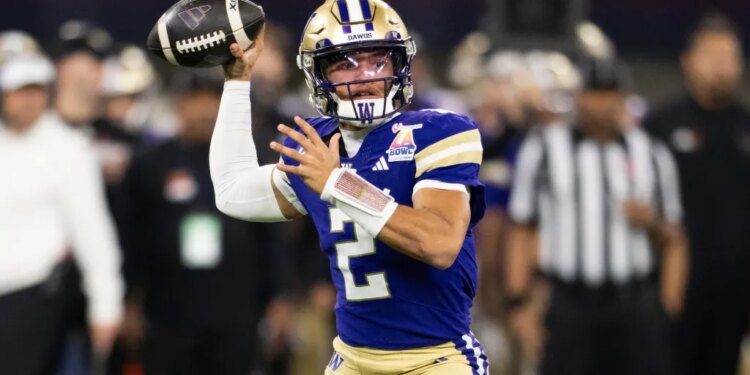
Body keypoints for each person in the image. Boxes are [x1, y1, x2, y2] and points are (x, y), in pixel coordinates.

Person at [209, 0, 489, 373]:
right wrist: (236, 80)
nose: (365, 76)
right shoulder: (314, 145)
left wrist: (339, 183)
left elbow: (438, 243)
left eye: (378, 59)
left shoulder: (439, 132)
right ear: (316, 74)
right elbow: (232, 192)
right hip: (352, 359)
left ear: (400, 63)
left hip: (436, 359)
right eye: (344, 64)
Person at [505, 57, 688, 375]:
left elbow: (675, 237)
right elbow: (521, 227)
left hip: (634, 302)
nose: (602, 104)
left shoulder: (653, 154)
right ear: (578, 96)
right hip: (568, 303)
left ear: (623, 98)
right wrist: (519, 304)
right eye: (594, 93)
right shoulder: (544, 149)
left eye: (610, 94)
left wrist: (667, 309)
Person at [116, 71, 285, 375]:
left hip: (237, 305)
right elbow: (132, 238)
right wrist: (128, 300)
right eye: (197, 99)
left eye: (215, 99)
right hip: (169, 308)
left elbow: (272, 235)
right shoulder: (149, 165)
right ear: (178, 105)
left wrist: (280, 298)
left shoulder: (252, 159)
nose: (206, 109)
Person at [0, 53, 123, 375]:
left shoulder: (68, 147)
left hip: (32, 297)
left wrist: (105, 304)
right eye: (19, 90)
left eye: (37, 90)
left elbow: (93, 232)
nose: (28, 100)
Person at [643, 13, 750, 375]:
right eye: (712, 56)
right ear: (688, 61)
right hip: (671, 290)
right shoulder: (659, 126)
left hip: (736, 292)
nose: (722, 67)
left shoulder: (746, 126)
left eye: (730, 57)